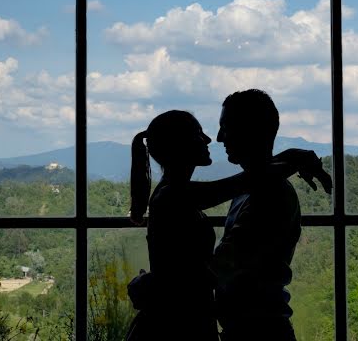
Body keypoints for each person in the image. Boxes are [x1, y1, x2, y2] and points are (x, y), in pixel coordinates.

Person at [126, 109, 330, 341]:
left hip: (178, 321)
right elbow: (244, 181)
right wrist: (296, 157)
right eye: (198, 133)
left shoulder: (172, 192)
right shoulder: (173, 195)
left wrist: (295, 156)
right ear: (179, 146)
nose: (209, 139)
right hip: (177, 325)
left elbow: (244, 181)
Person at [212, 89, 313, 340]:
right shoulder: (251, 187)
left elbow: (227, 263)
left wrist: (159, 286)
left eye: (226, 127)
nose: (219, 137)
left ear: (249, 130)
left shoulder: (268, 193)